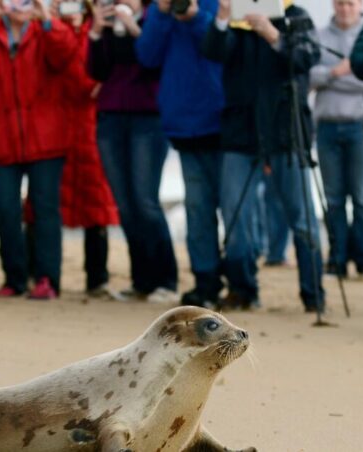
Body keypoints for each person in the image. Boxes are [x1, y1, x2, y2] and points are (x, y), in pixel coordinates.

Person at [201, 0, 326, 312]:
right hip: (239, 134)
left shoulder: (296, 16)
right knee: (235, 217)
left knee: (303, 220)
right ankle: (243, 290)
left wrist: (272, 34)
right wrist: (223, 17)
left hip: (287, 134)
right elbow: (213, 51)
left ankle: (314, 296)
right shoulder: (236, 21)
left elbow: (307, 58)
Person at [0, 0, 78, 299]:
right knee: (7, 210)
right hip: (0, 136)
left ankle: (48, 278)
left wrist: (47, 18)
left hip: (46, 136)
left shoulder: (46, 28)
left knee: (46, 209)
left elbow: (65, 55)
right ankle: (14, 277)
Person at [136, 0, 235, 308]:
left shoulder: (219, 5)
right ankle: (205, 281)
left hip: (226, 121)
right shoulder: (161, 7)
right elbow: (147, 56)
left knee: (235, 210)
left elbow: (226, 48)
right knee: (197, 208)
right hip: (185, 124)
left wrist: (194, 17)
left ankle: (243, 282)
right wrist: (163, 14)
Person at [88, 0, 179, 301]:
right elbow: (97, 71)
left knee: (145, 200)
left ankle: (166, 279)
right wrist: (96, 33)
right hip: (111, 116)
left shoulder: (158, 16)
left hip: (148, 117)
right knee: (125, 205)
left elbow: (153, 60)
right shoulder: (108, 19)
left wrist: (132, 26)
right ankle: (141, 280)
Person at [38, 0, 120, 298]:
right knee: (42, 203)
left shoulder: (98, 28)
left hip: (89, 127)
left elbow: (89, 79)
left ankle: (97, 278)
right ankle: (43, 275)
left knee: (96, 205)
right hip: (56, 125)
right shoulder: (44, 26)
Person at [310, 0, 363, 280]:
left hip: (361, 127)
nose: (344, 8)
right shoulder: (319, 35)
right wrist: (339, 70)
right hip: (326, 127)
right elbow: (308, 75)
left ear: (359, 5)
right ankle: (337, 260)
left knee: (361, 197)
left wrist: (332, 76)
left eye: (349, 3)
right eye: (339, 2)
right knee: (334, 198)